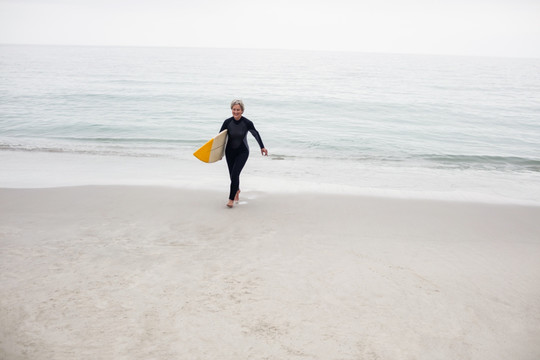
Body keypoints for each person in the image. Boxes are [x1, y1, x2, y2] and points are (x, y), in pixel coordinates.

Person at [220, 99, 268, 208]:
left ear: (242, 111)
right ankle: (236, 189)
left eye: (238, 110)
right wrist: (218, 154)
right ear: (231, 109)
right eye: (234, 109)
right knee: (232, 176)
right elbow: (220, 138)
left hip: (243, 151)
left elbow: (255, 134)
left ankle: (231, 199)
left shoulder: (247, 123)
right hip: (229, 152)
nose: (236, 112)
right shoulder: (227, 122)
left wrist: (262, 147)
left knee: (235, 174)